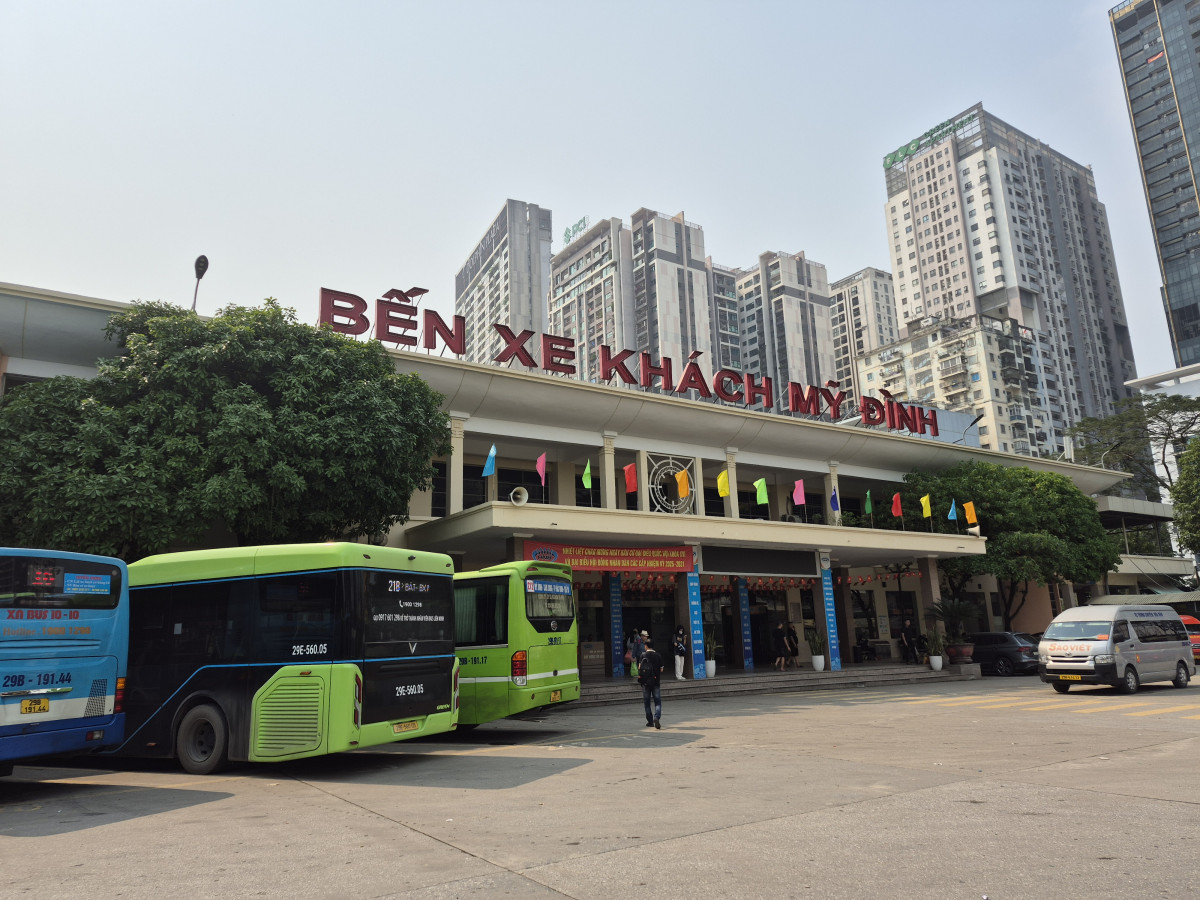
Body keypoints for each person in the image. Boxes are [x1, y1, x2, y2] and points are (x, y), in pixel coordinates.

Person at [638, 636, 664, 728]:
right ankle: (656, 717)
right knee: (657, 702)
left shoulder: (643, 655)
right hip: (656, 682)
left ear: (646, 646)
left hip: (645, 682)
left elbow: (639, 668)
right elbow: (661, 669)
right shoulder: (658, 655)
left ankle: (650, 722)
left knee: (647, 702)